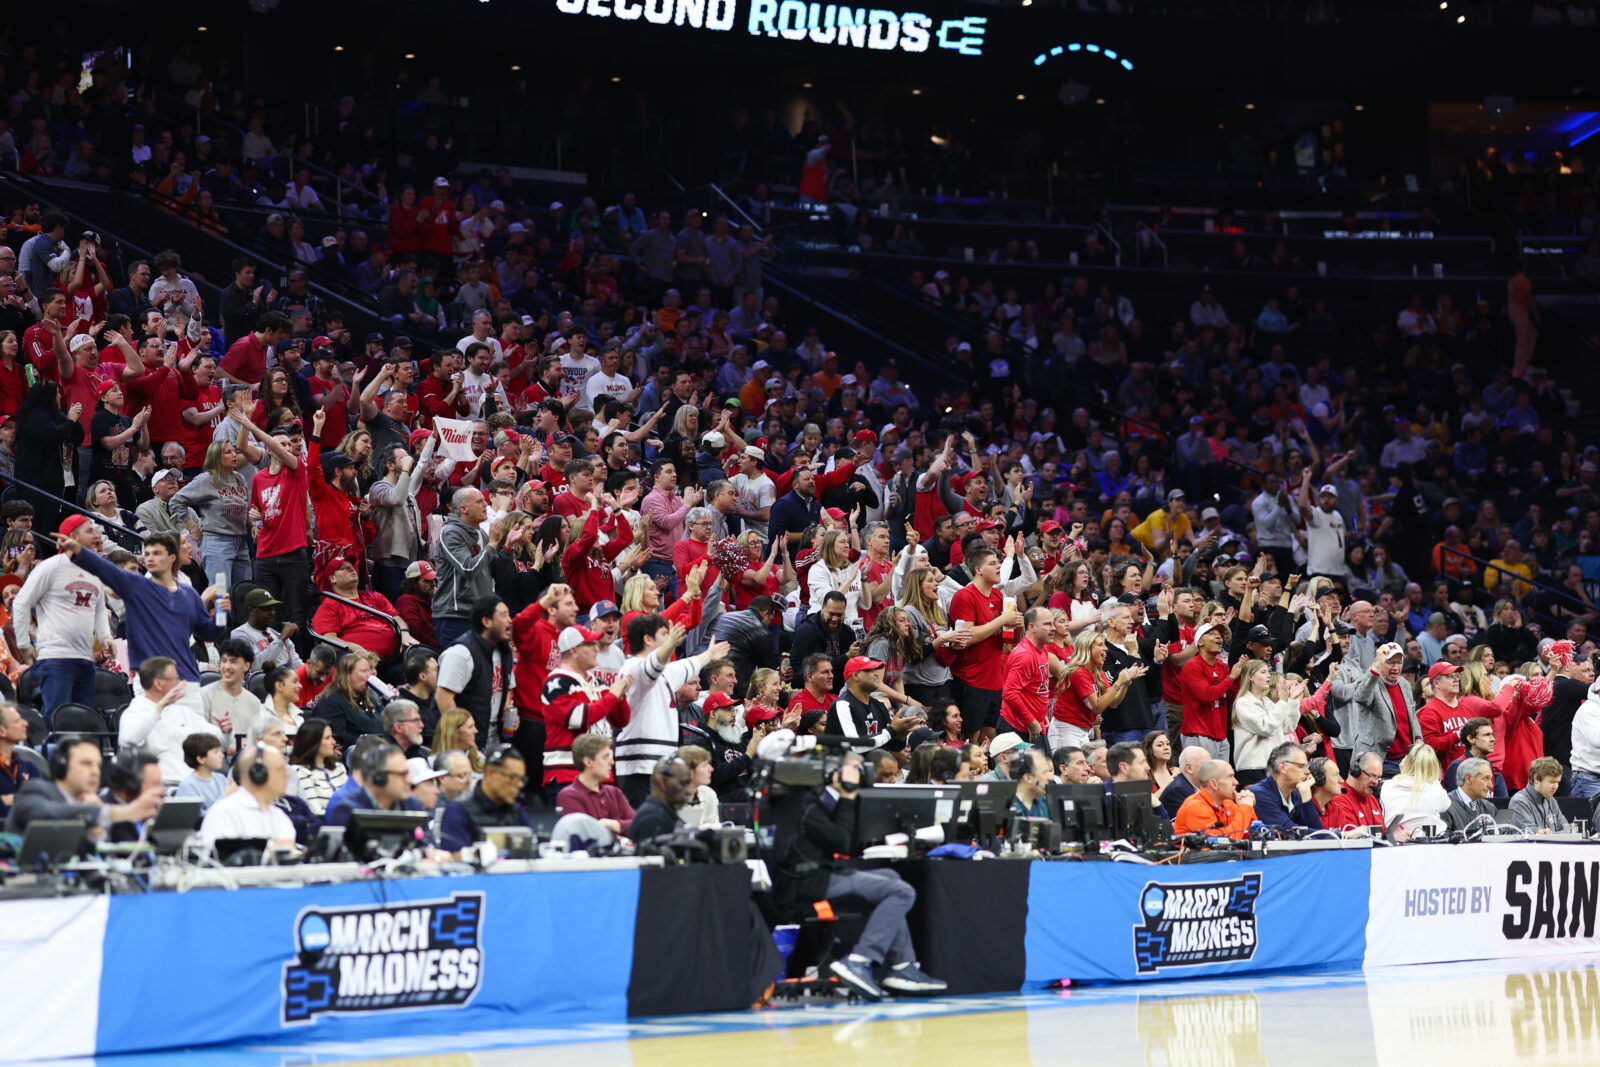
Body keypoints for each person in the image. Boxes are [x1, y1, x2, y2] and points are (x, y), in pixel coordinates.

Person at [770, 749, 947, 1000]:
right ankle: (859, 959)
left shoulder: (815, 799)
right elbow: (841, 842)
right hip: (806, 884)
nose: (860, 772)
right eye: (853, 767)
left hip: (820, 875)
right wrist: (848, 797)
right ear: (835, 771)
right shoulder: (808, 803)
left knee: (892, 878)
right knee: (901, 890)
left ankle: (902, 967)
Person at [53, 530, 228, 683]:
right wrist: (79, 550)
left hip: (187, 678)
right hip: (152, 677)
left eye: (156, 553)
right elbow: (106, 569)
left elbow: (209, 632)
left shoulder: (188, 592)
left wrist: (221, 611)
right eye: (147, 553)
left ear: (171, 557)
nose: (149, 558)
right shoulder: (139, 586)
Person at [11, 514, 110, 720]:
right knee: (58, 718)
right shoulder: (51, 566)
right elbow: (21, 602)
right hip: (56, 656)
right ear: (73, 536)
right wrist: (23, 644)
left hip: (85, 657)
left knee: (84, 720)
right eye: (89, 530)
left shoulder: (95, 570)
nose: (96, 535)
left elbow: (99, 610)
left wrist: (106, 637)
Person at [5, 735, 162, 838]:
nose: (95, 771)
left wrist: (96, 833)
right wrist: (124, 812)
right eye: (86, 764)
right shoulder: (36, 790)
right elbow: (47, 813)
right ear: (62, 766)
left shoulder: (90, 803)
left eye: (98, 765)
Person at [541, 624, 632, 801]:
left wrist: (621, 695)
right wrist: (613, 694)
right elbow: (579, 718)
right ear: (574, 651)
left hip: (600, 775)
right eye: (591, 645)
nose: (597, 648)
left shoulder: (597, 683)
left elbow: (622, 719)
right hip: (568, 775)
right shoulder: (557, 682)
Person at [947, 546, 1025, 747]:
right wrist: (1002, 620)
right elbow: (966, 636)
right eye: (992, 563)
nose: (999, 566)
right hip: (970, 678)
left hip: (995, 679)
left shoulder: (999, 598)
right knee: (969, 738)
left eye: (999, 562)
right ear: (978, 569)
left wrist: (1017, 625)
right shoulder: (965, 596)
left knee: (989, 738)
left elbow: (1009, 641)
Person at [118, 657, 222, 786]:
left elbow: (218, 739)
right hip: (159, 786)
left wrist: (225, 731)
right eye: (175, 679)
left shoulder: (182, 711)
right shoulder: (136, 711)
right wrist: (159, 707)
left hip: (193, 783)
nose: (179, 683)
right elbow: (128, 740)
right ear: (159, 684)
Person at [437, 595, 519, 758]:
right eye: (503, 615)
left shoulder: (504, 652)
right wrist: (462, 732)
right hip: (466, 739)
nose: (510, 620)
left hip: (495, 734)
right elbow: (443, 697)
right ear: (487, 622)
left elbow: (507, 689)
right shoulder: (461, 653)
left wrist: (507, 714)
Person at [1336, 642, 1422, 775]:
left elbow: (1412, 714)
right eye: (1390, 662)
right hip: (1379, 759)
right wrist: (1375, 666)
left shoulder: (1404, 684)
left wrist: (1418, 738)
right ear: (1380, 663)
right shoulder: (1371, 683)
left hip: (1406, 759)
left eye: (1399, 663)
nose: (1395, 667)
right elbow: (1360, 697)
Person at [439, 743, 538, 852]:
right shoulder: (459, 810)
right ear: (490, 773)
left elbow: (532, 851)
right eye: (512, 777)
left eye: (521, 779)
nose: (519, 785)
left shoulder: (516, 810)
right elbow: (456, 860)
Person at [198, 741, 296, 847]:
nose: (288, 775)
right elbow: (215, 861)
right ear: (258, 774)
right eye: (280, 769)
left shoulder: (278, 816)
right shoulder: (224, 814)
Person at [432, 488, 494, 647]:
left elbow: (495, 570)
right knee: (458, 668)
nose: (485, 505)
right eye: (479, 501)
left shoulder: (481, 534)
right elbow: (468, 569)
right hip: (455, 615)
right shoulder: (450, 532)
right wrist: (492, 545)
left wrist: (507, 547)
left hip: (479, 614)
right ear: (463, 508)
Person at [828, 656, 918, 755]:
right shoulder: (842, 705)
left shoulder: (880, 705)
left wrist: (901, 733)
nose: (876, 674)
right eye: (870, 670)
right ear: (856, 676)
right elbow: (855, 746)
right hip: (846, 767)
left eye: (875, 670)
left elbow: (893, 746)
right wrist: (892, 730)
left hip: (873, 767)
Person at [324, 740, 424, 827]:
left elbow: (422, 845)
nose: (409, 781)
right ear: (379, 778)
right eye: (402, 774)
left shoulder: (413, 805)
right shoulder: (347, 810)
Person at [554, 734, 635, 835]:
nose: (612, 762)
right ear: (588, 762)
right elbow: (583, 835)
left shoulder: (615, 793)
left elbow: (638, 825)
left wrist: (613, 824)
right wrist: (617, 834)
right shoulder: (569, 796)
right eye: (606, 757)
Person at [1179, 622, 1234, 760]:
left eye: (1219, 635)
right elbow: (1207, 695)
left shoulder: (1223, 667)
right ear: (1200, 641)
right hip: (1197, 733)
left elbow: (1231, 695)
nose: (1218, 637)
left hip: (1220, 735)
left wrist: (1239, 678)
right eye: (1212, 633)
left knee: (1221, 780)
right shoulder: (1192, 666)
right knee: (1200, 780)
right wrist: (1232, 677)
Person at [1245, 741, 1324, 831]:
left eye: (1307, 766)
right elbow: (1287, 830)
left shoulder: (1296, 795)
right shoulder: (1259, 794)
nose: (1308, 772)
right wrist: (1340, 835)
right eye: (1301, 766)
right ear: (1282, 767)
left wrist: (1306, 794)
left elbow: (1317, 832)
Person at [1379, 743, 1450, 840]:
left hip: (1395, 842)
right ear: (1433, 766)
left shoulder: (1388, 785)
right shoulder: (1435, 788)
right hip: (1429, 843)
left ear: (1406, 762)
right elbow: (1445, 805)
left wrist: (1403, 772)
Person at [201, 638, 267, 742]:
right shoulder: (204, 695)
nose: (226, 666)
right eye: (223, 661)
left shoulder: (254, 702)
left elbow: (256, 739)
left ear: (247, 665)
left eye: (233, 661)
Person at [1171, 759, 1257, 839]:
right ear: (1213, 784)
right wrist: (1245, 807)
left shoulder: (1227, 803)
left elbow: (1255, 834)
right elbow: (1222, 841)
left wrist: (1248, 805)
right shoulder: (1196, 807)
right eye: (1230, 777)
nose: (1236, 782)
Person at [317, 651, 384, 750]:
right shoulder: (331, 702)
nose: (370, 675)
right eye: (364, 671)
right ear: (347, 675)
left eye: (369, 670)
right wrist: (373, 742)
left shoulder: (372, 697)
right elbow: (339, 736)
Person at [229, 588, 302, 671]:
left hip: (286, 679)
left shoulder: (275, 634)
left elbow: (297, 665)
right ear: (252, 610)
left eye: (273, 608)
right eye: (267, 609)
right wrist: (280, 640)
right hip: (261, 681)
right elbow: (254, 666)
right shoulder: (240, 635)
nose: (273, 613)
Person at [288, 717, 347, 816]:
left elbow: (352, 803)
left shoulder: (339, 768)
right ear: (312, 742)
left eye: (332, 737)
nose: (333, 742)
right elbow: (314, 811)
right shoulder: (300, 772)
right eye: (327, 738)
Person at [1321, 751, 1386, 833]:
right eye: (1372, 775)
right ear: (1356, 771)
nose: (1376, 782)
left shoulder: (1372, 799)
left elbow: (1383, 832)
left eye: (1378, 777)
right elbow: (1352, 837)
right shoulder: (1339, 798)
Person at [628, 755, 689, 840]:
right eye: (683, 784)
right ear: (664, 782)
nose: (688, 791)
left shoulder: (659, 814)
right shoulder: (653, 819)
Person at [1442, 717, 1508, 797]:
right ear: (1471, 739)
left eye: (1492, 734)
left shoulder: (1492, 767)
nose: (1493, 739)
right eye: (1486, 735)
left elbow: (1504, 804)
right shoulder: (1457, 766)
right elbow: (1455, 803)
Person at [1508, 757, 1571, 833]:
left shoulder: (1551, 800)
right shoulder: (1519, 802)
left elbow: (1567, 829)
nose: (1555, 787)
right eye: (1551, 782)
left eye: (1557, 782)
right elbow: (1529, 836)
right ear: (1536, 778)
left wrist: (1550, 835)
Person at [1440, 756, 1498, 835]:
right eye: (1485, 778)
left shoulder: (1489, 808)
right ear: (1468, 778)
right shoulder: (1444, 806)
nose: (1491, 785)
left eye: (1490, 779)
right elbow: (1443, 842)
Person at [173, 733, 227, 811]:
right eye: (216, 752)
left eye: (221, 751)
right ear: (201, 759)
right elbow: (196, 818)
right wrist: (226, 794)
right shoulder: (188, 786)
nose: (222, 755)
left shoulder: (221, 778)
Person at [0, 703, 38, 808]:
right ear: (1, 731)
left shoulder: (29, 767)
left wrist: (13, 799)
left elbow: (44, 800)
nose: (25, 723)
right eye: (17, 721)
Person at [1158, 744, 1211, 818]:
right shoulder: (1177, 791)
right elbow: (1194, 824)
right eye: (1206, 765)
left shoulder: (1205, 786)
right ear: (1189, 768)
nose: (1211, 769)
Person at [1009, 747, 1053, 819]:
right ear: (1028, 778)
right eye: (1044, 772)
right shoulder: (1007, 808)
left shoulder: (1046, 804)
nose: (1050, 778)